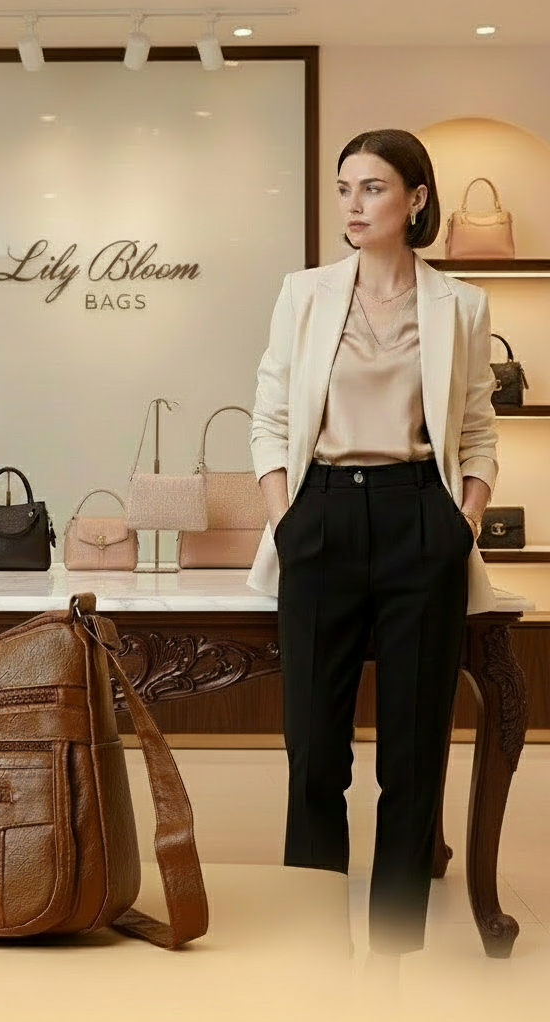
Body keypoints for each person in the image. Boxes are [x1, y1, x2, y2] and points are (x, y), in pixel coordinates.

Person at [247, 128, 500, 956]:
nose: (354, 206)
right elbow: (273, 413)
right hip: (319, 516)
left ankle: (397, 949)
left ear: (416, 199)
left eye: (374, 189)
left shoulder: (459, 303)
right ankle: (314, 944)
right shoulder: (305, 293)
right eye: (345, 189)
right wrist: (286, 514)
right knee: (314, 751)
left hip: (416, 518)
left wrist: (461, 516)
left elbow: (476, 426)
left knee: (414, 751)